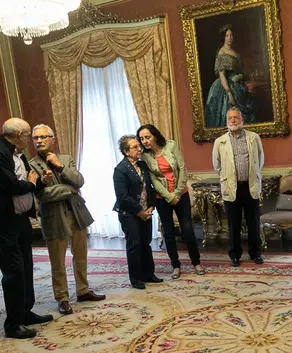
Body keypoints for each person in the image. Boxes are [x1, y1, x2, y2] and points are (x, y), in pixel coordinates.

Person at [0, 118, 52, 339]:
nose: (31, 139)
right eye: (29, 134)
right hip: (2, 221)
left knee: (26, 267)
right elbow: (11, 184)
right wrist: (31, 183)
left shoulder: (18, 153)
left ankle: (25, 312)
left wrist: (41, 180)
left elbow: (27, 183)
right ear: (19, 134)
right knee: (13, 271)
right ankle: (12, 324)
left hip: (20, 218)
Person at [29, 124, 105, 315]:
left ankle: (83, 290)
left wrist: (60, 167)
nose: (39, 141)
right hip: (54, 218)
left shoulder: (65, 159)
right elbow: (43, 195)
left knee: (80, 256)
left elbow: (79, 181)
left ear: (52, 139)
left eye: (43, 137)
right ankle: (62, 298)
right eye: (35, 138)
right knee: (58, 261)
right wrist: (68, 190)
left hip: (77, 214)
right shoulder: (30, 165)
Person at [138, 124, 205, 278]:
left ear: (154, 135)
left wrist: (177, 193)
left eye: (147, 137)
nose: (145, 141)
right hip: (162, 198)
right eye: (142, 139)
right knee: (168, 233)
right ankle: (175, 265)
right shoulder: (145, 156)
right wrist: (168, 196)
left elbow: (182, 168)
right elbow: (153, 180)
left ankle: (196, 262)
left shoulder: (170, 146)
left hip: (181, 194)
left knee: (187, 230)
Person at [212, 106, 264, 267]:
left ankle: (255, 253)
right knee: (233, 224)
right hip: (231, 187)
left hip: (250, 186)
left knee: (253, 222)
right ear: (226, 121)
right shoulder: (220, 142)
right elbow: (217, 164)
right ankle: (234, 255)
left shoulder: (253, 137)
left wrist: (254, 174)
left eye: (236, 117)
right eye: (230, 118)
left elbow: (260, 158)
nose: (233, 121)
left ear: (242, 120)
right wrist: (227, 177)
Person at [113, 135, 162, 290]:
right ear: (126, 152)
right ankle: (136, 279)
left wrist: (151, 206)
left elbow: (150, 187)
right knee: (134, 245)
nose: (139, 148)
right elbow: (122, 197)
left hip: (145, 211)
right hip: (129, 214)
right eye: (135, 147)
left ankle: (149, 274)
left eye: (138, 146)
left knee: (145, 244)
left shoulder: (143, 165)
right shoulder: (120, 170)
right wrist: (139, 211)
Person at [204, 24, 257, 128]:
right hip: (225, 87)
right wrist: (229, 93)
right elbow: (222, 75)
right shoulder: (222, 52)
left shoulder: (234, 52)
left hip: (238, 85)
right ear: (223, 37)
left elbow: (239, 70)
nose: (229, 38)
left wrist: (240, 76)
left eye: (231, 35)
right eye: (227, 36)